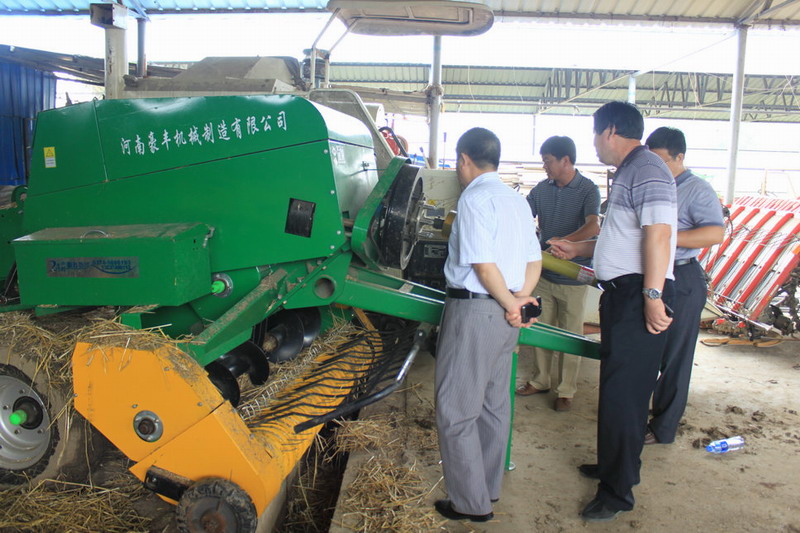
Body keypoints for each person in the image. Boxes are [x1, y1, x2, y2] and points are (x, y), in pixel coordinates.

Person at [548, 101, 677, 522]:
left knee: (626, 397)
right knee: (616, 390)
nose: (593, 144)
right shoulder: (629, 171)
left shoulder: (648, 169)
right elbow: (620, 236)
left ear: (610, 131)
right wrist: (578, 248)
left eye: (594, 134)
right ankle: (613, 466)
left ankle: (618, 493)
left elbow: (659, 235)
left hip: (638, 295)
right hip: (623, 295)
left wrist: (653, 295)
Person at [434, 127, 542, 522]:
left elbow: (482, 265)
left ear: (464, 159)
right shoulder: (516, 200)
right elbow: (534, 260)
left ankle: (469, 503)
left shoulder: (474, 199)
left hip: (476, 312)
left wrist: (510, 303)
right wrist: (518, 302)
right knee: (493, 406)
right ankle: (488, 489)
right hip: (505, 316)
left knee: (455, 411)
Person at [645, 127, 724, 444]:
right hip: (653, 275)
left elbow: (714, 233)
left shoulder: (696, 190)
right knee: (649, 350)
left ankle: (663, 428)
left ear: (680, 157)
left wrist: (666, 238)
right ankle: (643, 414)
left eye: (662, 160)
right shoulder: (654, 186)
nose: (656, 167)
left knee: (675, 357)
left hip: (682, 276)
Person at [517, 135, 601, 411]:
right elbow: (522, 214)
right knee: (539, 328)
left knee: (570, 335)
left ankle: (566, 390)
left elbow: (593, 226)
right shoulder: (542, 189)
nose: (545, 166)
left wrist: (566, 242)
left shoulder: (587, 189)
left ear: (566, 160)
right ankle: (540, 380)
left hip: (572, 277)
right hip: (543, 274)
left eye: (548, 161)